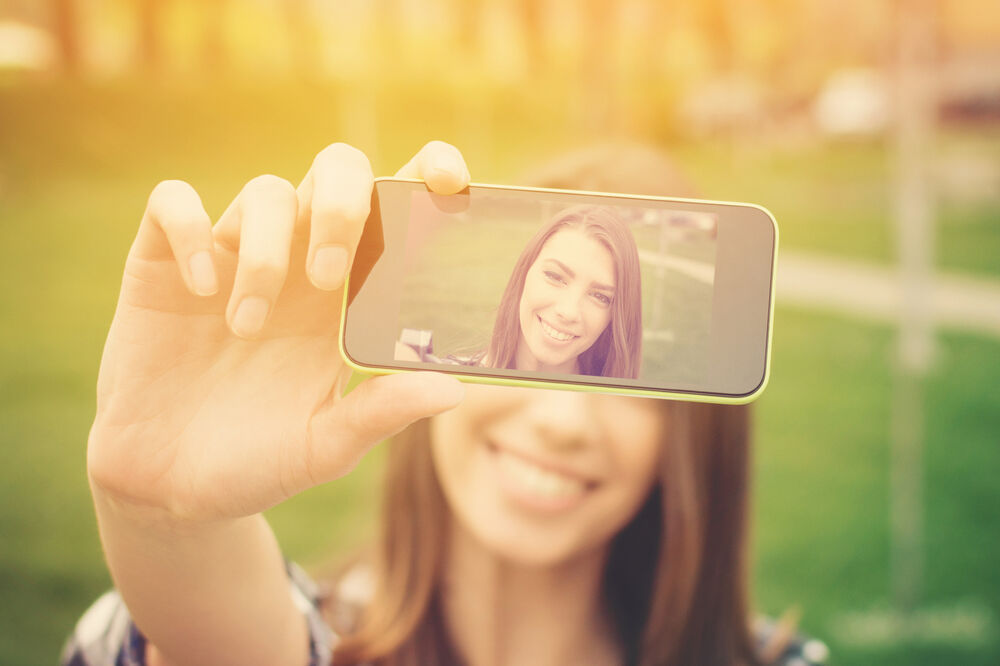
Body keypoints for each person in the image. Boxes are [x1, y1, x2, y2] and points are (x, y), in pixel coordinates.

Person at [63, 141, 827, 666]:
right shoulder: (306, 636)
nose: (562, 421)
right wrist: (159, 521)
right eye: (555, 278)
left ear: (692, 439)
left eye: (626, 393)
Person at [397, 203, 642, 379]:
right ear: (524, 274)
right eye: (555, 276)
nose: (568, 311)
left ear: (614, 318)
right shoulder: (446, 383)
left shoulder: (624, 424)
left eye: (600, 297)